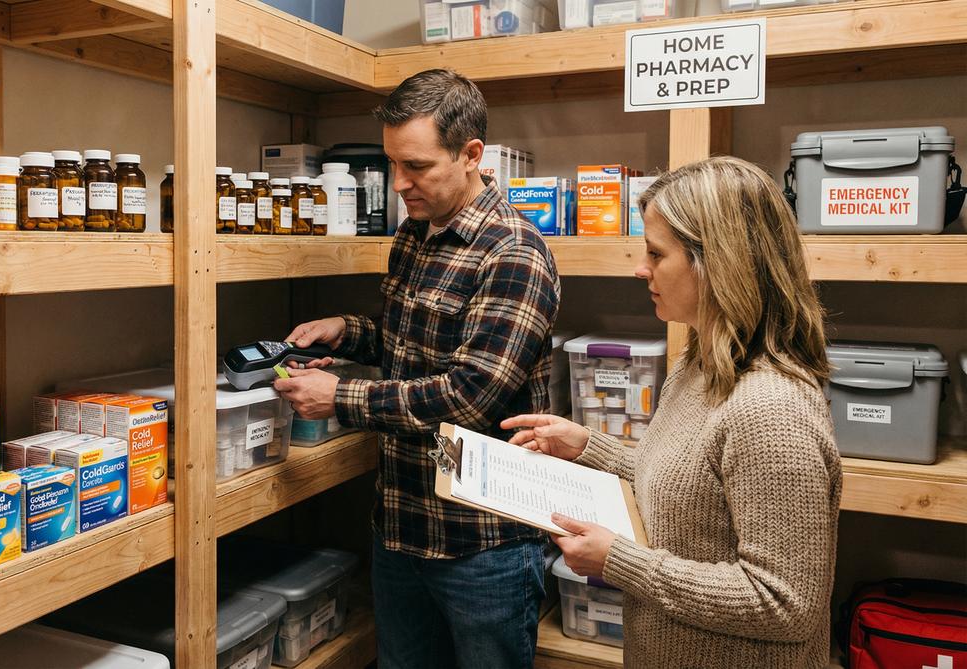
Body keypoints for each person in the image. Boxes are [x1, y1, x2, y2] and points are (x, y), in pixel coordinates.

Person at [503, 156, 841, 668]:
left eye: (656, 253)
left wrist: (620, 562)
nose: (641, 268)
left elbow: (785, 603)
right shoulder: (702, 361)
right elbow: (690, 490)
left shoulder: (772, 409)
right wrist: (589, 447)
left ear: (718, 262)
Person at [273, 69, 561, 669]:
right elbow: (412, 344)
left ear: (472, 155)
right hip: (400, 527)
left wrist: (342, 397)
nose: (399, 183)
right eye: (392, 164)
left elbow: (469, 394)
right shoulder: (414, 234)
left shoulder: (516, 253)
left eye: (418, 167)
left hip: (483, 546)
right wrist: (347, 333)